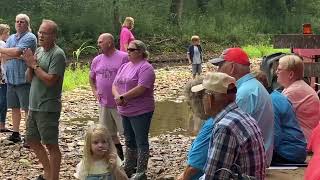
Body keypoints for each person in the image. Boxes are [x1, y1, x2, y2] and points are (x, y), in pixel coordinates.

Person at [191, 72, 265, 180]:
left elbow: (213, 177)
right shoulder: (243, 116)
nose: (202, 100)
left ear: (209, 99)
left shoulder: (225, 128)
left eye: (202, 96)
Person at [210, 47, 274, 167]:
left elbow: (229, 131)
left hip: (250, 165)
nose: (217, 71)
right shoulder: (253, 86)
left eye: (220, 66)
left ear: (232, 67)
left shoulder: (243, 93)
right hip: (259, 159)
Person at [23, 19, 66, 180]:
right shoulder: (39, 51)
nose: (40, 35)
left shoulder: (58, 54)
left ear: (53, 35)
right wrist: (29, 64)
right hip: (33, 105)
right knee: (32, 140)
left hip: (48, 106)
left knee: (51, 144)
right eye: (40, 31)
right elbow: (28, 79)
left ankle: (53, 177)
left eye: (45, 33)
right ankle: (48, 172)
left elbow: (50, 81)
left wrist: (34, 65)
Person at [112, 40, 155, 179]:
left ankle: (141, 170)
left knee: (141, 140)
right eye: (127, 49)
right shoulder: (124, 66)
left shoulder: (146, 67)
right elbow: (114, 84)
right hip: (124, 110)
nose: (128, 52)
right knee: (129, 139)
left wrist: (124, 97)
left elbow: (142, 88)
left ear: (141, 52)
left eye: (131, 50)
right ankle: (129, 166)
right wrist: (118, 96)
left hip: (141, 110)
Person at [89, 33, 128, 160]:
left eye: (100, 42)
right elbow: (91, 78)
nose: (98, 44)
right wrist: (95, 92)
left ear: (109, 43)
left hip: (121, 104)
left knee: (127, 134)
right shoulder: (97, 60)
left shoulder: (124, 57)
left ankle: (131, 161)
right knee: (109, 135)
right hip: (104, 103)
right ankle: (118, 159)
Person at [254, 70, 307, 164]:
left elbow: (275, 136)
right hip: (298, 150)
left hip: (288, 153)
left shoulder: (270, 102)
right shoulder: (277, 95)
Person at [0, 14, 37, 143]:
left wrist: (13, 53)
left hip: (24, 80)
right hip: (11, 80)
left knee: (27, 109)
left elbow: (15, 52)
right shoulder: (11, 38)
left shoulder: (30, 37)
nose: (19, 23)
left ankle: (29, 136)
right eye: (17, 21)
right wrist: (17, 54)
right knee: (14, 108)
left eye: (22, 21)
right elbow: (4, 56)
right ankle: (16, 133)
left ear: (27, 24)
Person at [276, 54, 320, 141]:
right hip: (308, 138)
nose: (276, 72)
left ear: (291, 74)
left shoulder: (292, 92)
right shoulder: (297, 87)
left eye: (279, 69)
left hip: (302, 142)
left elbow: (275, 116)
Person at [0, 24, 11, 132]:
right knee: (3, 99)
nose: (8, 35)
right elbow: (6, 57)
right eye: (7, 33)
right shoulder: (2, 43)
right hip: (3, 74)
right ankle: (1, 124)